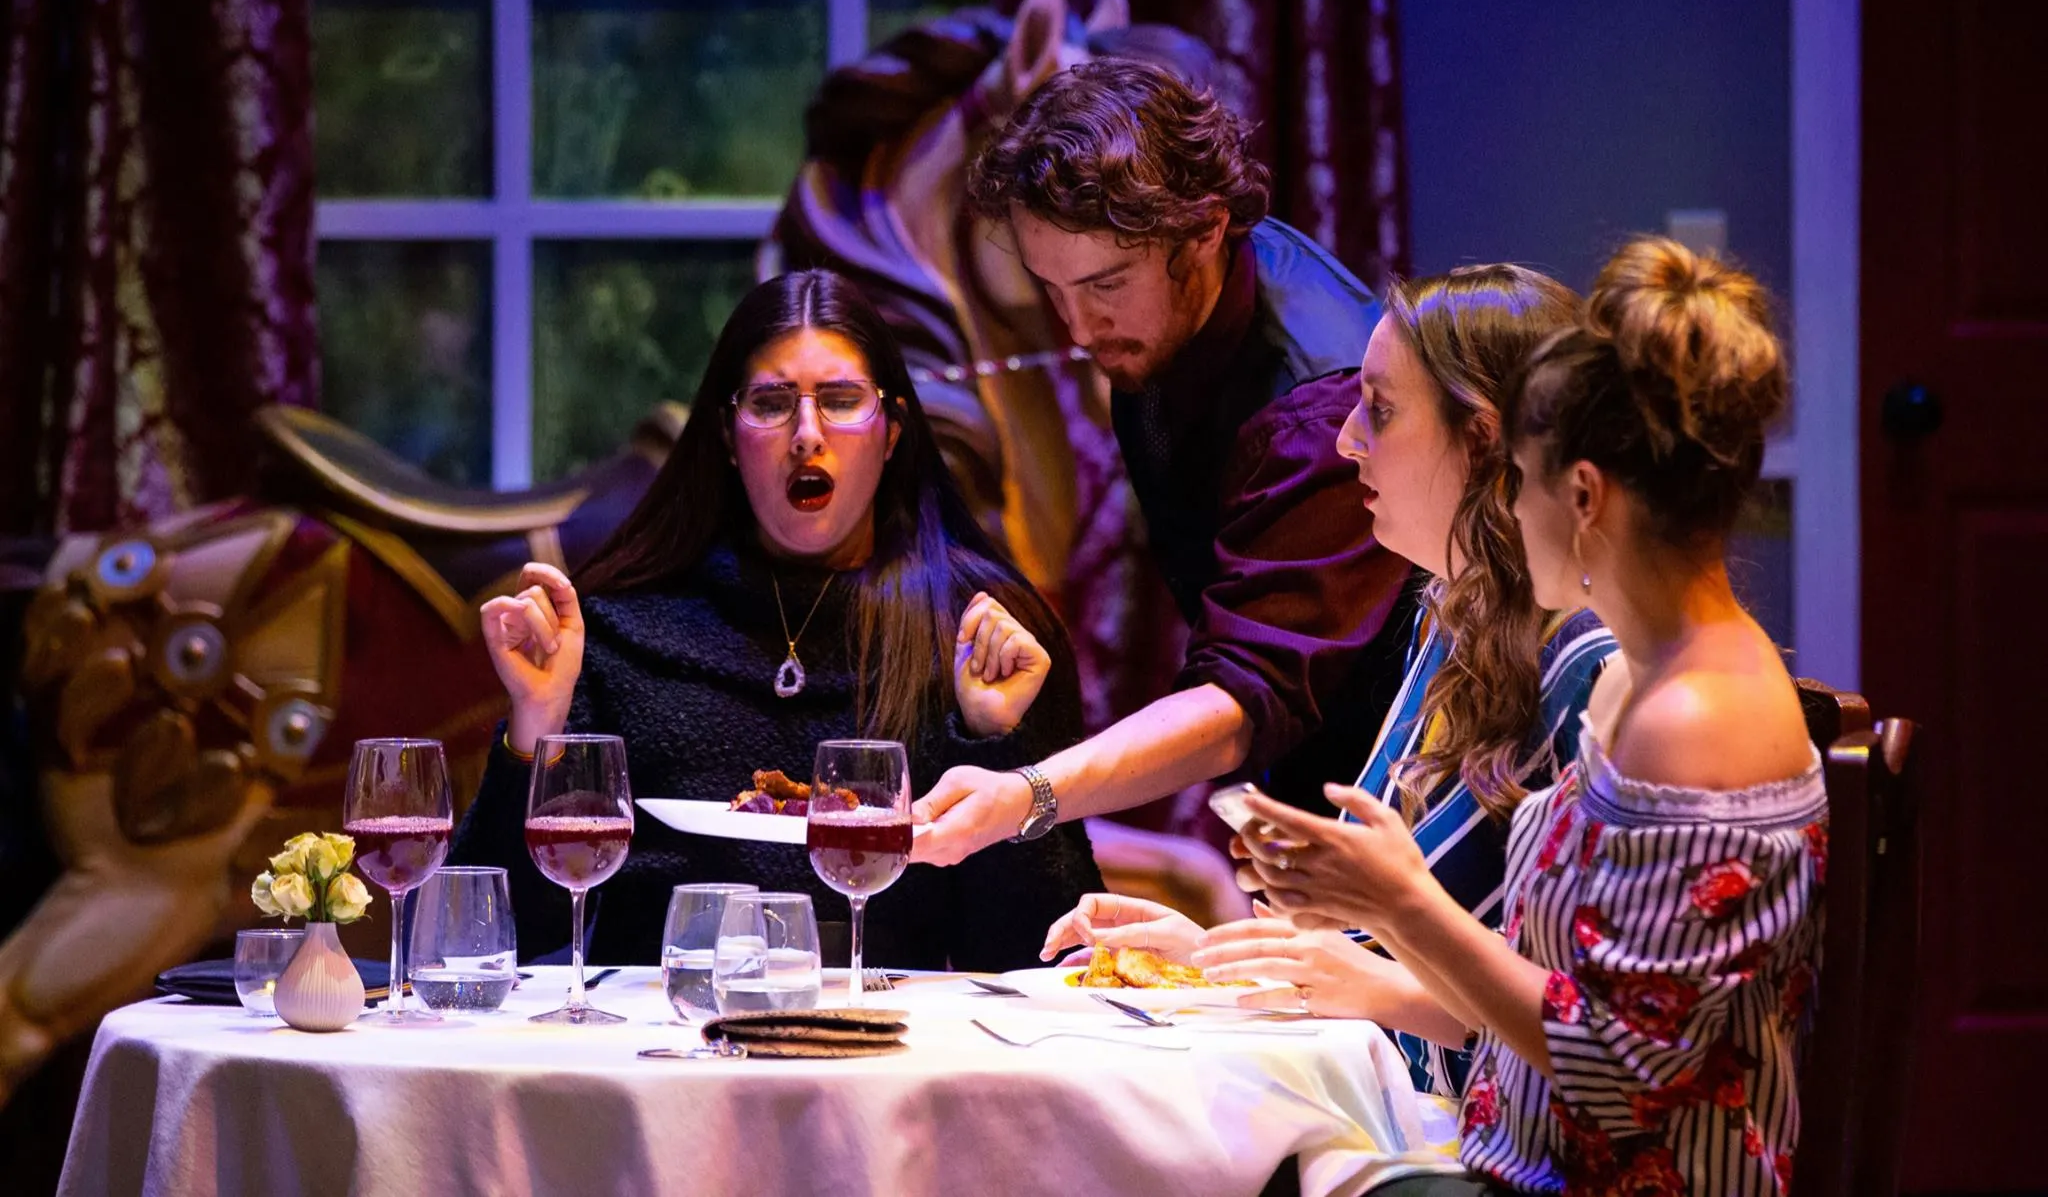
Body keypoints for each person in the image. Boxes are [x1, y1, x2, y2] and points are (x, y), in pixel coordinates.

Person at [1229, 238, 1823, 1195]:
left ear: (1580, 494)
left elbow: (1623, 1077)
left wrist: (1399, 905)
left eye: (1519, 479)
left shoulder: (1694, 716)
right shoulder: (1655, 679)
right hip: (1512, 1159)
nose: (1506, 508)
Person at [1041, 265, 1616, 1099]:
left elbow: (1592, 1054)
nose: (1346, 439)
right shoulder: (1449, 615)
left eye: (1378, 410)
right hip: (1392, 1097)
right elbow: (1373, 959)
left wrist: (1365, 984)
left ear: (1484, 440)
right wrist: (1209, 957)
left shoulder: (1589, 667)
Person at [449, 270, 1102, 971]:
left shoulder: (977, 630)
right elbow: (486, 934)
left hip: (892, 1052)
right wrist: (536, 727)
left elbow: (1041, 955)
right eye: (772, 402)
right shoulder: (621, 623)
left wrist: (995, 741)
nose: (807, 434)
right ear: (730, 436)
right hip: (656, 1045)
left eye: (843, 400)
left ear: (892, 434)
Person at [913, 57, 1417, 863]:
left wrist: (1027, 793)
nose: (1078, 329)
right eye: (1054, 289)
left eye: (1106, 283)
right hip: (1323, 785)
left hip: (1412, 812)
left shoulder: (1316, 413)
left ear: (1206, 229)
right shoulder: (1165, 319)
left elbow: (1243, 696)